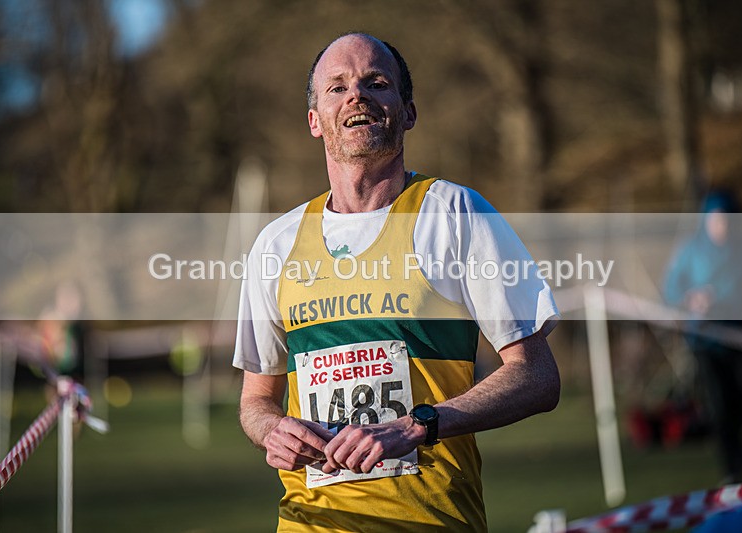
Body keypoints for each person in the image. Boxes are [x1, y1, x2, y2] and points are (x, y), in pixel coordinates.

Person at [234, 32, 561, 532]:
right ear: (315, 121)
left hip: (431, 520)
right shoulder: (275, 245)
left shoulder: (455, 213)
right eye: (337, 87)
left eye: (376, 82)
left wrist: (417, 426)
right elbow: (256, 400)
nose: (356, 96)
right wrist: (272, 431)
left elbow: (538, 377)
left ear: (407, 112)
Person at [664, 191, 742, 484]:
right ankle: (731, 465)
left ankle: (738, 446)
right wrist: (692, 298)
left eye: (726, 220)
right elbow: (671, 289)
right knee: (718, 403)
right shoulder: (691, 251)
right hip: (705, 339)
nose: (721, 225)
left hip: (740, 336)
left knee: (741, 399)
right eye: (716, 220)